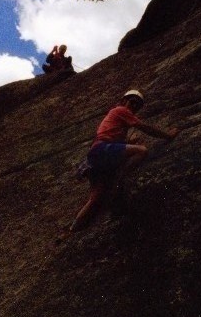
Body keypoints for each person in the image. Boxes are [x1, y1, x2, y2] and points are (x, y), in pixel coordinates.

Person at [66, 90, 180, 234]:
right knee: (142, 151)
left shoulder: (116, 116)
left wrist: (126, 141)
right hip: (103, 150)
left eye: (137, 105)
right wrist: (167, 136)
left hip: (97, 155)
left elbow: (110, 135)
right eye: (132, 102)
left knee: (96, 198)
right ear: (123, 101)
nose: (134, 106)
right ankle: (120, 176)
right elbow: (145, 128)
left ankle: (72, 229)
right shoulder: (121, 110)